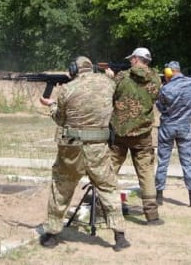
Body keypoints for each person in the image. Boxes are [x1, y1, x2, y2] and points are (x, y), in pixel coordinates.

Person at [38, 56, 130, 251]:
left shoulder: (66, 90)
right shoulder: (109, 84)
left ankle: (52, 234)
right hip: (98, 147)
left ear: (73, 69)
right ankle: (119, 236)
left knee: (61, 188)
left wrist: (51, 104)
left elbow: (60, 119)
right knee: (108, 187)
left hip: (71, 148)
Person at [106, 47, 164, 225]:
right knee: (146, 173)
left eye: (132, 59)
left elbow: (111, 95)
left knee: (110, 170)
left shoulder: (122, 77)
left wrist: (109, 77)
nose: (130, 61)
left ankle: (108, 207)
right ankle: (152, 215)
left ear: (137, 59)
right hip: (143, 134)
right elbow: (154, 97)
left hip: (120, 133)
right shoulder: (155, 78)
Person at [155, 61, 191, 207]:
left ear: (169, 72)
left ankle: (159, 196)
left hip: (167, 127)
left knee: (163, 162)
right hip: (184, 128)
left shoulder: (165, 89)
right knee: (187, 162)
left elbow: (161, 107)